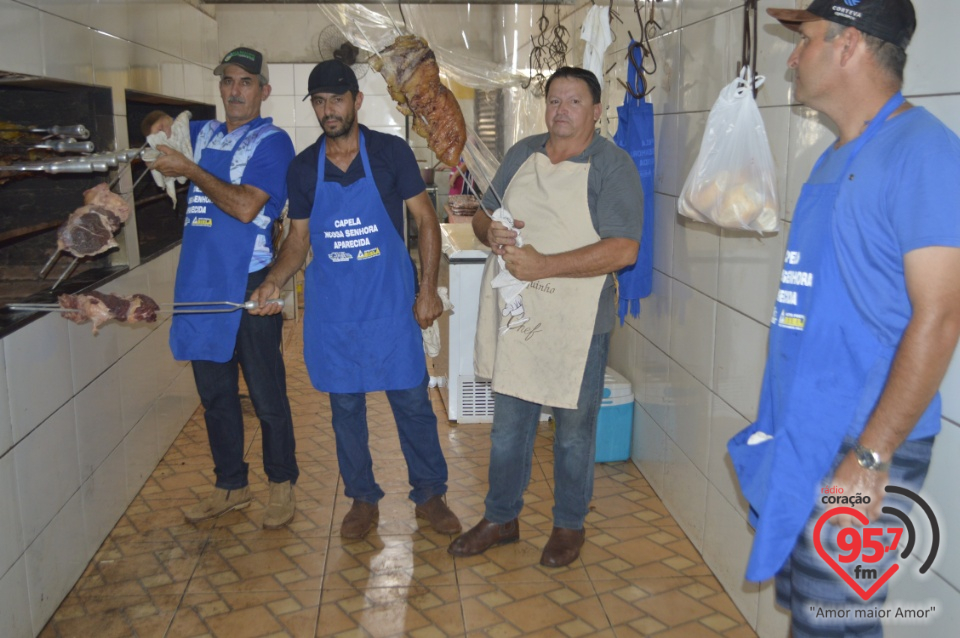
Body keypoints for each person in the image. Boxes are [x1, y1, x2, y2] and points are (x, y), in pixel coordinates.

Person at [727, 2, 960, 635]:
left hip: (861, 440)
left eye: (803, 40)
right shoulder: (834, 156)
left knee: (838, 626)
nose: (793, 56)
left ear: (849, 43)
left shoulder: (925, 150)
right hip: (806, 430)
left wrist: (872, 456)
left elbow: (940, 318)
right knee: (810, 613)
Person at [249, 60, 461, 539]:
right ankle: (363, 499)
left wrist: (427, 289)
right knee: (345, 410)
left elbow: (427, 220)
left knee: (411, 402)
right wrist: (273, 282)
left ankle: (430, 493)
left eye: (337, 100)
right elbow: (298, 242)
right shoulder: (303, 168)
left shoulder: (390, 153)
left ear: (356, 101)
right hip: (335, 314)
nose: (329, 110)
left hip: (390, 308)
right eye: (320, 102)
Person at [447, 66, 643, 567]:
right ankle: (501, 517)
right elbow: (484, 214)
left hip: (577, 325)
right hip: (520, 318)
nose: (561, 110)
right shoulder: (522, 153)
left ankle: (568, 525)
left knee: (574, 432)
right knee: (509, 429)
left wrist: (543, 266)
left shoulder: (611, 166)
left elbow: (623, 250)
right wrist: (489, 231)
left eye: (574, 102)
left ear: (596, 112)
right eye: (554, 100)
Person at [144, 46, 299, 529]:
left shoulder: (273, 143)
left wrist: (189, 170)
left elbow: (246, 207)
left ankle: (280, 484)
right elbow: (154, 121)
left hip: (250, 281)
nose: (235, 90)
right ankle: (229, 485)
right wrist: (158, 123)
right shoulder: (204, 131)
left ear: (263, 91)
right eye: (228, 80)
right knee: (214, 395)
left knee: (266, 394)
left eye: (246, 82)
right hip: (200, 280)